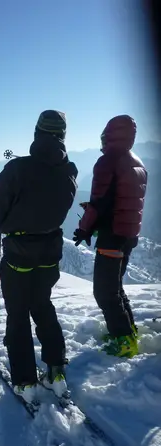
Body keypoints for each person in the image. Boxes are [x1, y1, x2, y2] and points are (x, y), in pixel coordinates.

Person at [0, 110, 78, 402]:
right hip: (50, 252)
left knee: (18, 315)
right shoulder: (70, 171)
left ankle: (25, 381)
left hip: (19, 255)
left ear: (37, 133)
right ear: (62, 136)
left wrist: (5, 224)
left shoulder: (17, 169)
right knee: (43, 306)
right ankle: (55, 370)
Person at [73, 115, 147, 358]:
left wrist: (84, 228)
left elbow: (99, 203)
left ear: (108, 135)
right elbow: (121, 201)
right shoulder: (136, 161)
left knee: (104, 292)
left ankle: (124, 342)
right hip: (128, 235)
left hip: (111, 236)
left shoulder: (107, 161)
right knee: (114, 288)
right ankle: (127, 331)